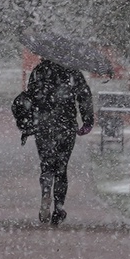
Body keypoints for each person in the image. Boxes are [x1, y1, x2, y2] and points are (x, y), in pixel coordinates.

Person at [26, 58, 94, 225]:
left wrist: (31, 120)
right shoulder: (73, 71)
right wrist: (87, 120)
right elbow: (84, 95)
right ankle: (58, 208)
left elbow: (29, 97)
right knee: (61, 168)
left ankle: (46, 192)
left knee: (46, 165)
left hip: (43, 125)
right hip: (66, 125)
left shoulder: (38, 71)